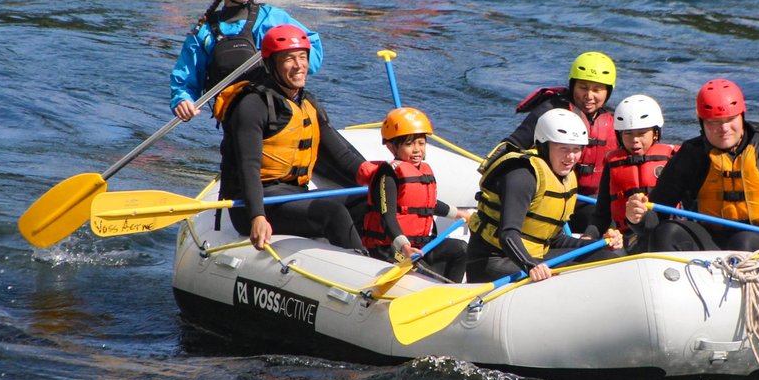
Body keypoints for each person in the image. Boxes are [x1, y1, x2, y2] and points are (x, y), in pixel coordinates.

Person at [634, 78, 759, 276]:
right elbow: (657, 212)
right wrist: (637, 218)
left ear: (741, 116)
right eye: (714, 122)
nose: (723, 129)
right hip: (712, 240)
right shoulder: (691, 154)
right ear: (702, 122)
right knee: (668, 232)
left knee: (744, 243)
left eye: (730, 120)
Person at [219, 24, 366, 251]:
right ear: (271, 65)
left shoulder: (307, 103)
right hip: (255, 204)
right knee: (333, 213)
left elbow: (341, 156)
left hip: (294, 194)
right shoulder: (252, 106)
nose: (299, 65)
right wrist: (256, 216)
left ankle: (389, 259)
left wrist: (378, 175)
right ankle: (362, 270)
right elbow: (248, 167)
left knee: (366, 200)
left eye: (302, 57)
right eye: (289, 59)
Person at [171, 0, 324, 122]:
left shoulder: (272, 19)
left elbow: (311, 54)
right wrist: (183, 101)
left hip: (283, 117)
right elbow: (186, 81)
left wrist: (290, 61)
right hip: (239, 124)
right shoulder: (204, 33)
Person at [465, 108, 622, 282]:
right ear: (543, 145)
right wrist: (530, 264)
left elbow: (554, 240)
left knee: (607, 255)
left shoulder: (564, 177)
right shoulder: (522, 176)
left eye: (576, 149)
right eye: (563, 148)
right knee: (600, 262)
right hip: (493, 263)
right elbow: (508, 234)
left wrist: (600, 244)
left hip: (533, 258)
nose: (571, 157)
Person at [483, 51, 617, 230]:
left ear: (607, 92)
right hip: (546, 196)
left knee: (608, 221)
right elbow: (512, 146)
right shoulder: (550, 111)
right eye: (583, 87)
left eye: (597, 89)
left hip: (586, 200)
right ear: (572, 85)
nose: (589, 96)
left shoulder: (613, 120)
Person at [357, 107, 473, 282]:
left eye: (421, 143)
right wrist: (404, 247)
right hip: (390, 247)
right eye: (409, 144)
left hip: (421, 244)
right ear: (391, 147)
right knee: (423, 274)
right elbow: (387, 216)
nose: (417, 149)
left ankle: (452, 292)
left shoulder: (422, 171)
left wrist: (460, 214)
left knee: (461, 249)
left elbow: (428, 204)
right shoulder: (387, 174)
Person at [584, 94, 685, 252]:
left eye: (642, 133)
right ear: (619, 135)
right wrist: (589, 237)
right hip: (629, 237)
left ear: (655, 133)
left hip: (670, 232)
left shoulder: (674, 159)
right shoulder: (612, 164)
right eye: (628, 134)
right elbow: (601, 215)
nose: (635, 140)